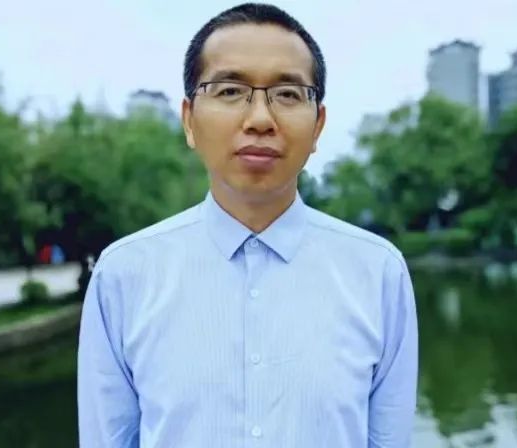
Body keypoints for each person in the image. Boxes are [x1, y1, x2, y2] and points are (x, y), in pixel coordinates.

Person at [77, 3, 418, 447]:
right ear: (189, 120)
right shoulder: (124, 275)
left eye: (288, 94)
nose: (259, 119)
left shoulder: (378, 273)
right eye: (230, 90)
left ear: (318, 126)